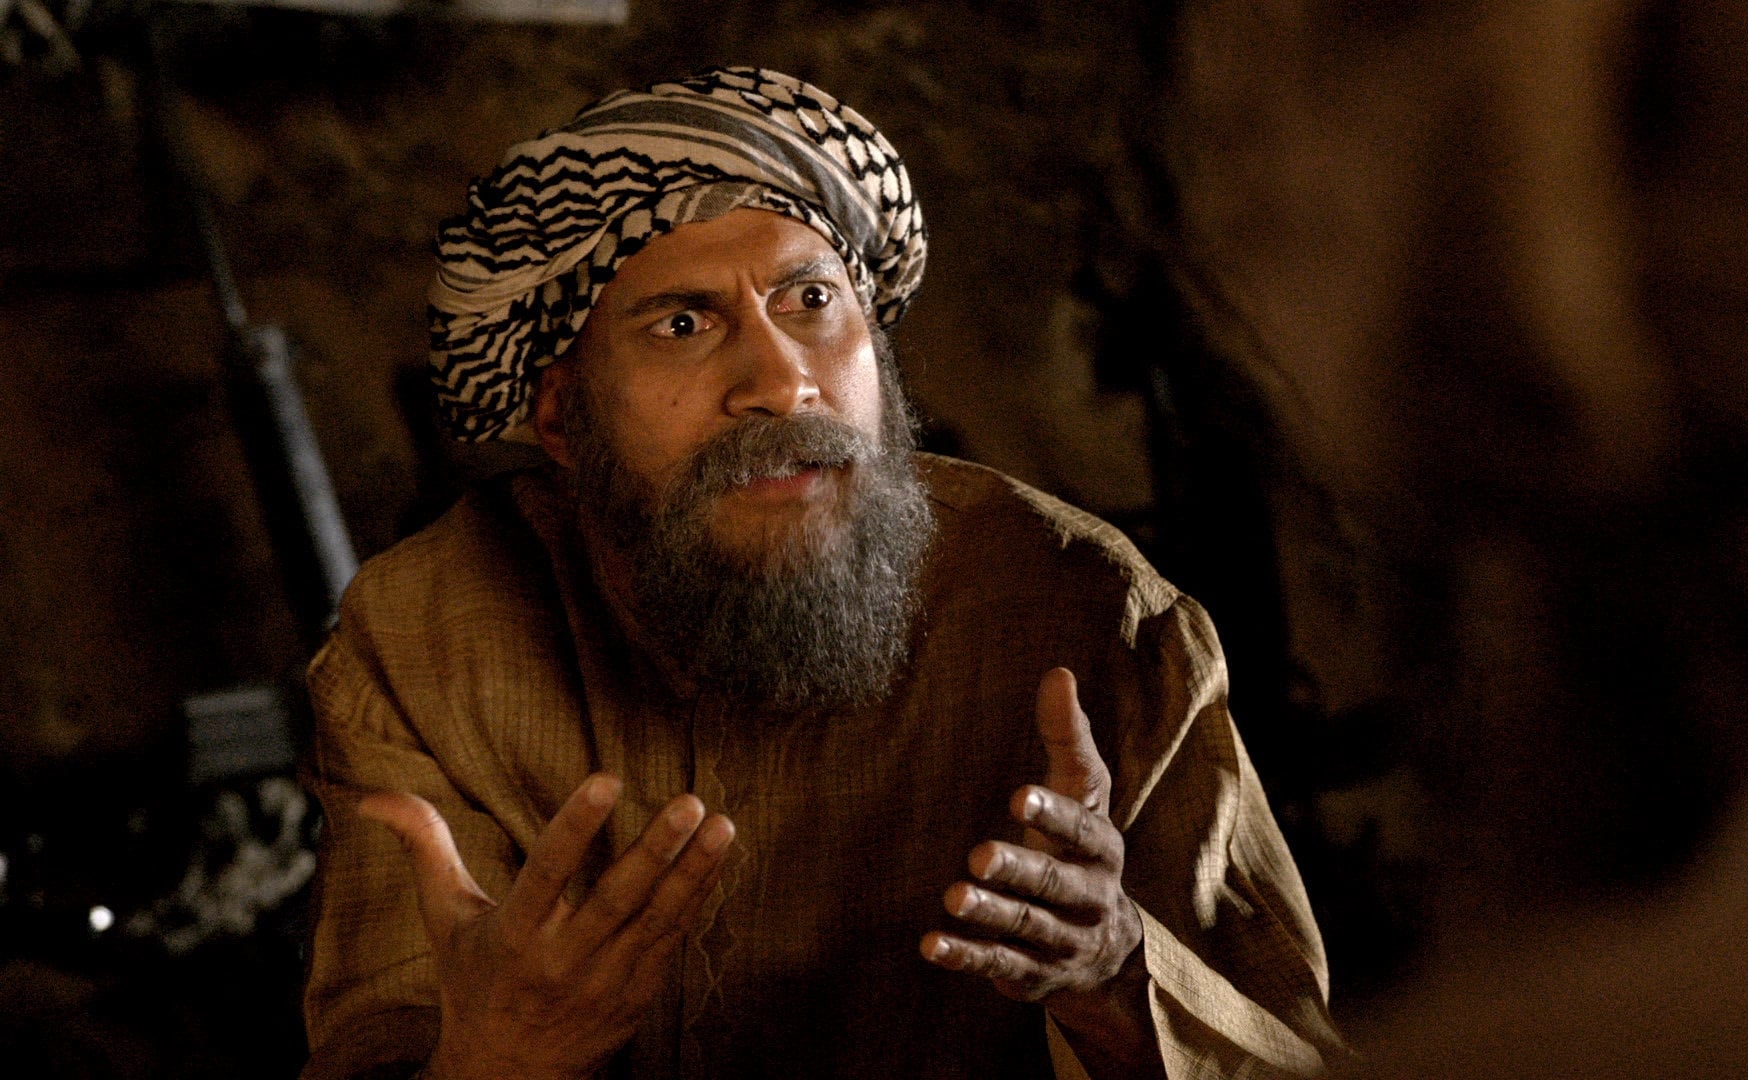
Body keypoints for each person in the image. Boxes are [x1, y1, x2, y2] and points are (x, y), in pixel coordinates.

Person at [299, 67, 1344, 1080]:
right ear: (562, 417)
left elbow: (1293, 1053)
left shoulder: (1091, 612)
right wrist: (498, 1058)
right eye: (683, 324)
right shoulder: (423, 641)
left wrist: (1113, 973)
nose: (781, 380)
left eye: (809, 299)